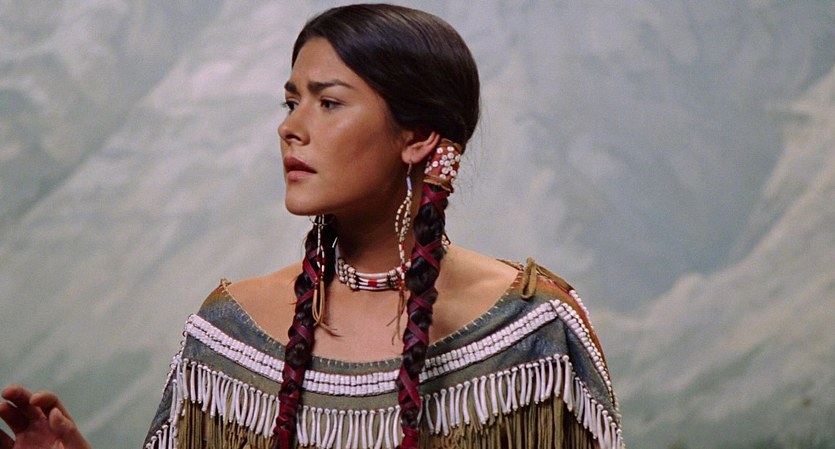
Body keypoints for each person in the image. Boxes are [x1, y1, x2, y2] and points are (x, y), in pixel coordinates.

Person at [1, 4, 622, 449]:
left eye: (328, 102)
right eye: (291, 100)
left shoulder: (534, 332)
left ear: (418, 136)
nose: (290, 127)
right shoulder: (228, 335)